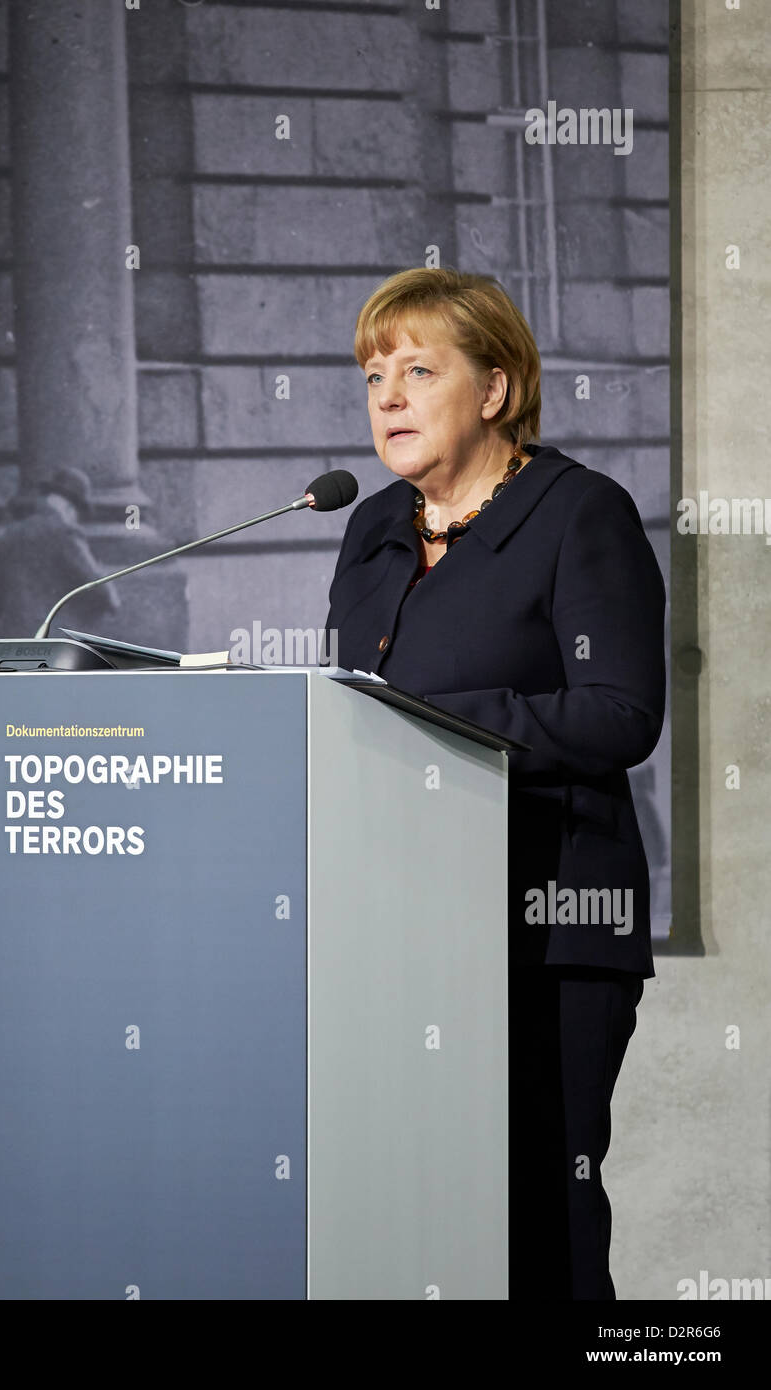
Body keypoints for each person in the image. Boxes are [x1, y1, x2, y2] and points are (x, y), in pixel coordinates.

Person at [323, 266, 666, 1300]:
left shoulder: (577, 514)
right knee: (416, 1215)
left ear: (496, 388)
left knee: (540, 1222)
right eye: (373, 373)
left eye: (417, 369)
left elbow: (619, 713)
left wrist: (431, 723)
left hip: (549, 919)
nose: (385, 395)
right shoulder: (372, 526)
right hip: (401, 926)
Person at [0, 467, 120, 638]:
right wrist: (112, 600)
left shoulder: (13, 532)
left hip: (11, 639)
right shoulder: (65, 533)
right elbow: (95, 585)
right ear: (69, 507)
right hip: (54, 641)